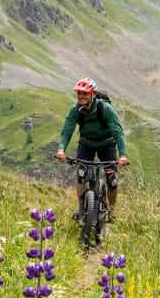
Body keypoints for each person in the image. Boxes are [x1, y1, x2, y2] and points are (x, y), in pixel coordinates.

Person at [55, 78, 128, 218]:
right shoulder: (75, 110)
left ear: (93, 95)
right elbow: (67, 130)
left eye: (85, 93)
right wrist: (61, 149)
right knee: (81, 174)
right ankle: (82, 211)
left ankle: (110, 212)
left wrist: (123, 155)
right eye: (79, 93)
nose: (81, 96)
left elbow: (117, 132)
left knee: (112, 179)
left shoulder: (105, 109)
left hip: (107, 143)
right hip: (86, 143)